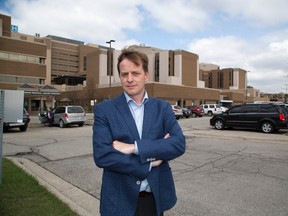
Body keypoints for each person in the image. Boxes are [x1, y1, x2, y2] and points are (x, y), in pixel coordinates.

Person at [93, 49, 186, 216]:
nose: (129, 79)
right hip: (119, 201)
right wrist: (150, 162)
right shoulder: (104, 110)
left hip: (154, 199)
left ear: (146, 75)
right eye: (124, 74)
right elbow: (102, 155)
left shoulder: (162, 108)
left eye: (135, 73)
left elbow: (178, 144)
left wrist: (134, 148)